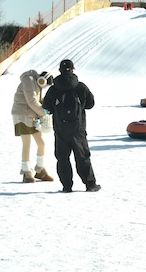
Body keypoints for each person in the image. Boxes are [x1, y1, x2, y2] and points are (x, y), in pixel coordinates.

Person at [42, 59, 100, 192]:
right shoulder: (81, 87)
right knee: (83, 157)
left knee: (62, 158)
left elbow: (47, 108)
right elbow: (91, 104)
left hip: (61, 130)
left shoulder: (53, 89)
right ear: (73, 70)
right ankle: (90, 184)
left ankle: (67, 186)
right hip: (78, 129)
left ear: (60, 71)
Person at [11, 70, 55, 183]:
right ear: (42, 80)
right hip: (22, 116)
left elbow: (38, 101)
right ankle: (26, 171)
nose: (44, 87)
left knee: (41, 143)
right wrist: (44, 112)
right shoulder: (29, 81)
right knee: (27, 143)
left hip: (32, 117)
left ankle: (40, 169)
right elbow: (32, 101)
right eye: (45, 85)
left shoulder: (37, 85)